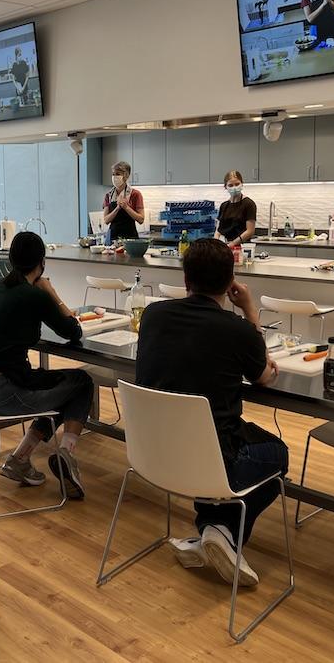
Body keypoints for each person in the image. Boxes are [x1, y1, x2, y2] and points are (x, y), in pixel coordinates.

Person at [135, 238, 284, 586]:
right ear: (231, 281)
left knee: (213, 443)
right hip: (212, 460)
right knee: (278, 454)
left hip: (152, 454)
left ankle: (209, 532)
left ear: (186, 281)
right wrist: (250, 312)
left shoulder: (153, 316)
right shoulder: (238, 330)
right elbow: (264, 376)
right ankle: (223, 534)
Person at [0, 232, 93, 498]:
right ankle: (67, 454)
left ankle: (20, 458)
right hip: (6, 391)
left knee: (60, 388)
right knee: (81, 383)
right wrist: (50, 291)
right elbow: (73, 331)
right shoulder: (33, 296)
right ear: (42, 263)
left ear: (11, 260)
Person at [102, 161, 145, 242]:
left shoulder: (135, 194)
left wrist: (126, 207)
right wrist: (117, 208)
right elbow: (106, 220)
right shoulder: (108, 195)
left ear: (126, 175)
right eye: (113, 174)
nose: (114, 177)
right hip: (112, 239)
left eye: (118, 174)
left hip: (130, 238)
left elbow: (141, 219)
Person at [216, 170, 257, 246]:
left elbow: (250, 231)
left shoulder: (249, 204)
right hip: (225, 245)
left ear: (242, 184)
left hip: (242, 246)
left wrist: (232, 244)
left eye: (237, 184)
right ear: (225, 187)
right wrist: (216, 243)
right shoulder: (224, 205)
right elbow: (218, 230)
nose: (234, 187)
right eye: (230, 185)